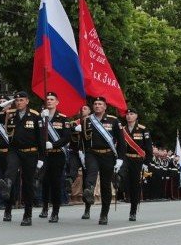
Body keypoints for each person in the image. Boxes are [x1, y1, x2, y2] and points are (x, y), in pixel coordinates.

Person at [0, 91, 45, 226]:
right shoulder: (10, 114)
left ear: (27, 101)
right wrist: (3, 105)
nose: (19, 103)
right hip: (14, 151)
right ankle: (7, 208)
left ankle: (27, 214)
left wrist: (42, 157)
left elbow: (41, 138)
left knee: (28, 184)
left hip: (30, 152)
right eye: (17, 101)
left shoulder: (35, 116)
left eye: (21, 100)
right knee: (10, 176)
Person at [76, 96, 125, 225]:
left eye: (100, 104)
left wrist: (120, 158)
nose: (97, 106)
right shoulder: (87, 121)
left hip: (108, 155)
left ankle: (104, 214)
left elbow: (121, 142)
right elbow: (83, 140)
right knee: (91, 172)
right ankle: (89, 190)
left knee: (105, 185)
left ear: (105, 107)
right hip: (92, 153)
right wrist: (82, 152)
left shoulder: (114, 121)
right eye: (95, 104)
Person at [39, 92, 72, 223]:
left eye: (52, 99)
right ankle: (45, 207)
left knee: (56, 183)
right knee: (44, 181)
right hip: (44, 155)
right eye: (47, 99)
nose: (49, 101)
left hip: (57, 153)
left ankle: (55, 211)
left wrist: (53, 144)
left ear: (57, 102)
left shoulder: (63, 118)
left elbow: (66, 137)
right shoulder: (41, 117)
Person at [121, 108, 152, 222]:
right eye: (127, 114)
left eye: (131, 114)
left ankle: (133, 211)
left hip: (138, 161)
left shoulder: (143, 129)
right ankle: (124, 196)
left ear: (136, 116)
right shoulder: (122, 129)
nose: (129, 116)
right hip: (125, 159)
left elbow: (148, 148)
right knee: (123, 180)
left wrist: (146, 163)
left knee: (135, 186)